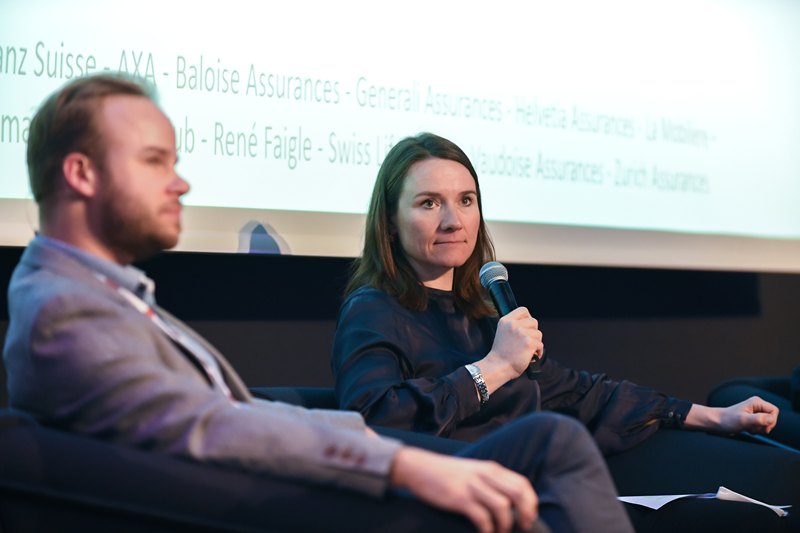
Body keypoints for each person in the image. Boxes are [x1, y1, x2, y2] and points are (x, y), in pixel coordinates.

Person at [2, 75, 636, 533]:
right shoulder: (63, 309)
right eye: (153, 162)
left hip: (281, 481)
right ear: (81, 174)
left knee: (549, 442)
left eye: (465, 201)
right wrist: (403, 464)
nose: (181, 182)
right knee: (548, 447)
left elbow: (223, 413)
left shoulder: (101, 293)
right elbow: (211, 428)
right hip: (268, 504)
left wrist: (360, 435)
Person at [332, 132, 779, 456]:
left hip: (529, 481)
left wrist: (715, 417)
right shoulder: (373, 311)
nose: (454, 220)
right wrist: (494, 367)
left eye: (466, 200)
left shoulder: (484, 312)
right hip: (454, 498)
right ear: (389, 224)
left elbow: (579, 393)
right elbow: (373, 421)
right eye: (429, 203)